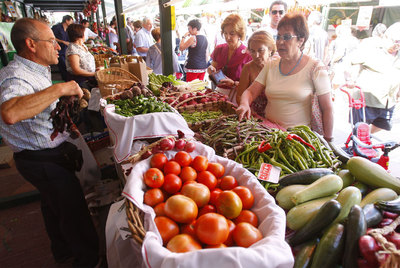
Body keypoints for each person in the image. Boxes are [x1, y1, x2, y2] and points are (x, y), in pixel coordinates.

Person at [0, 18, 99, 267]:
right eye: (52, 41)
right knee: (73, 213)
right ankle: (89, 260)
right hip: (40, 159)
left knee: (54, 206)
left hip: (45, 153)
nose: (58, 47)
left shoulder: (36, 69)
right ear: (31, 44)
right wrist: (58, 90)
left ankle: (63, 252)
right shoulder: (15, 77)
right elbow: (10, 113)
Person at [237, 13, 334, 141]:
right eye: (278, 37)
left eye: (287, 37)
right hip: (268, 135)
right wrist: (244, 103)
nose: (280, 42)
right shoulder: (271, 65)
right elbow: (250, 92)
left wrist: (328, 140)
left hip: (298, 140)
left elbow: (327, 108)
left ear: (301, 40)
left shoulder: (315, 68)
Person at [346, 24, 400, 133]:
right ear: (385, 37)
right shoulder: (371, 48)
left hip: (388, 100)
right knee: (359, 129)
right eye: (396, 41)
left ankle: (366, 136)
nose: (397, 45)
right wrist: (351, 78)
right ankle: (359, 141)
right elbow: (351, 62)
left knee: (384, 125)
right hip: (366, 99)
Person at [207, 14, 252, 105]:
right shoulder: (219, 49)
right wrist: (211, 70)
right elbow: (212, 68)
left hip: (237, 97)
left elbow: (251, 85)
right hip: (218, 94)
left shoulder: (248, 55)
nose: (228, 37)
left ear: (240, 33)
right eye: (225, 33)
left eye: (232, 33)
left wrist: (233, 83)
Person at [236, 31, 276, 117]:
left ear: (270, 49)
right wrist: (246, 108)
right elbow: (239, 95)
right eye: (252, 51)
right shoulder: (248, 68)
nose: (256, 55)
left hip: (275, 115)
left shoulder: (277, 66)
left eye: (260, 50)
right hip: (254, 116)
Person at [52, 15, 74, 81]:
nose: (71, 23)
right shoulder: (57, 27)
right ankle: (66, 80)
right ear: (67, 21)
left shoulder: (67, 29)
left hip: (66, 50)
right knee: (63, 66)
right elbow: (52, 38)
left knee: (67, 66)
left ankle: (68, 80)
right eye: (71, 21)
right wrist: (63, 42)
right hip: (58, 50)